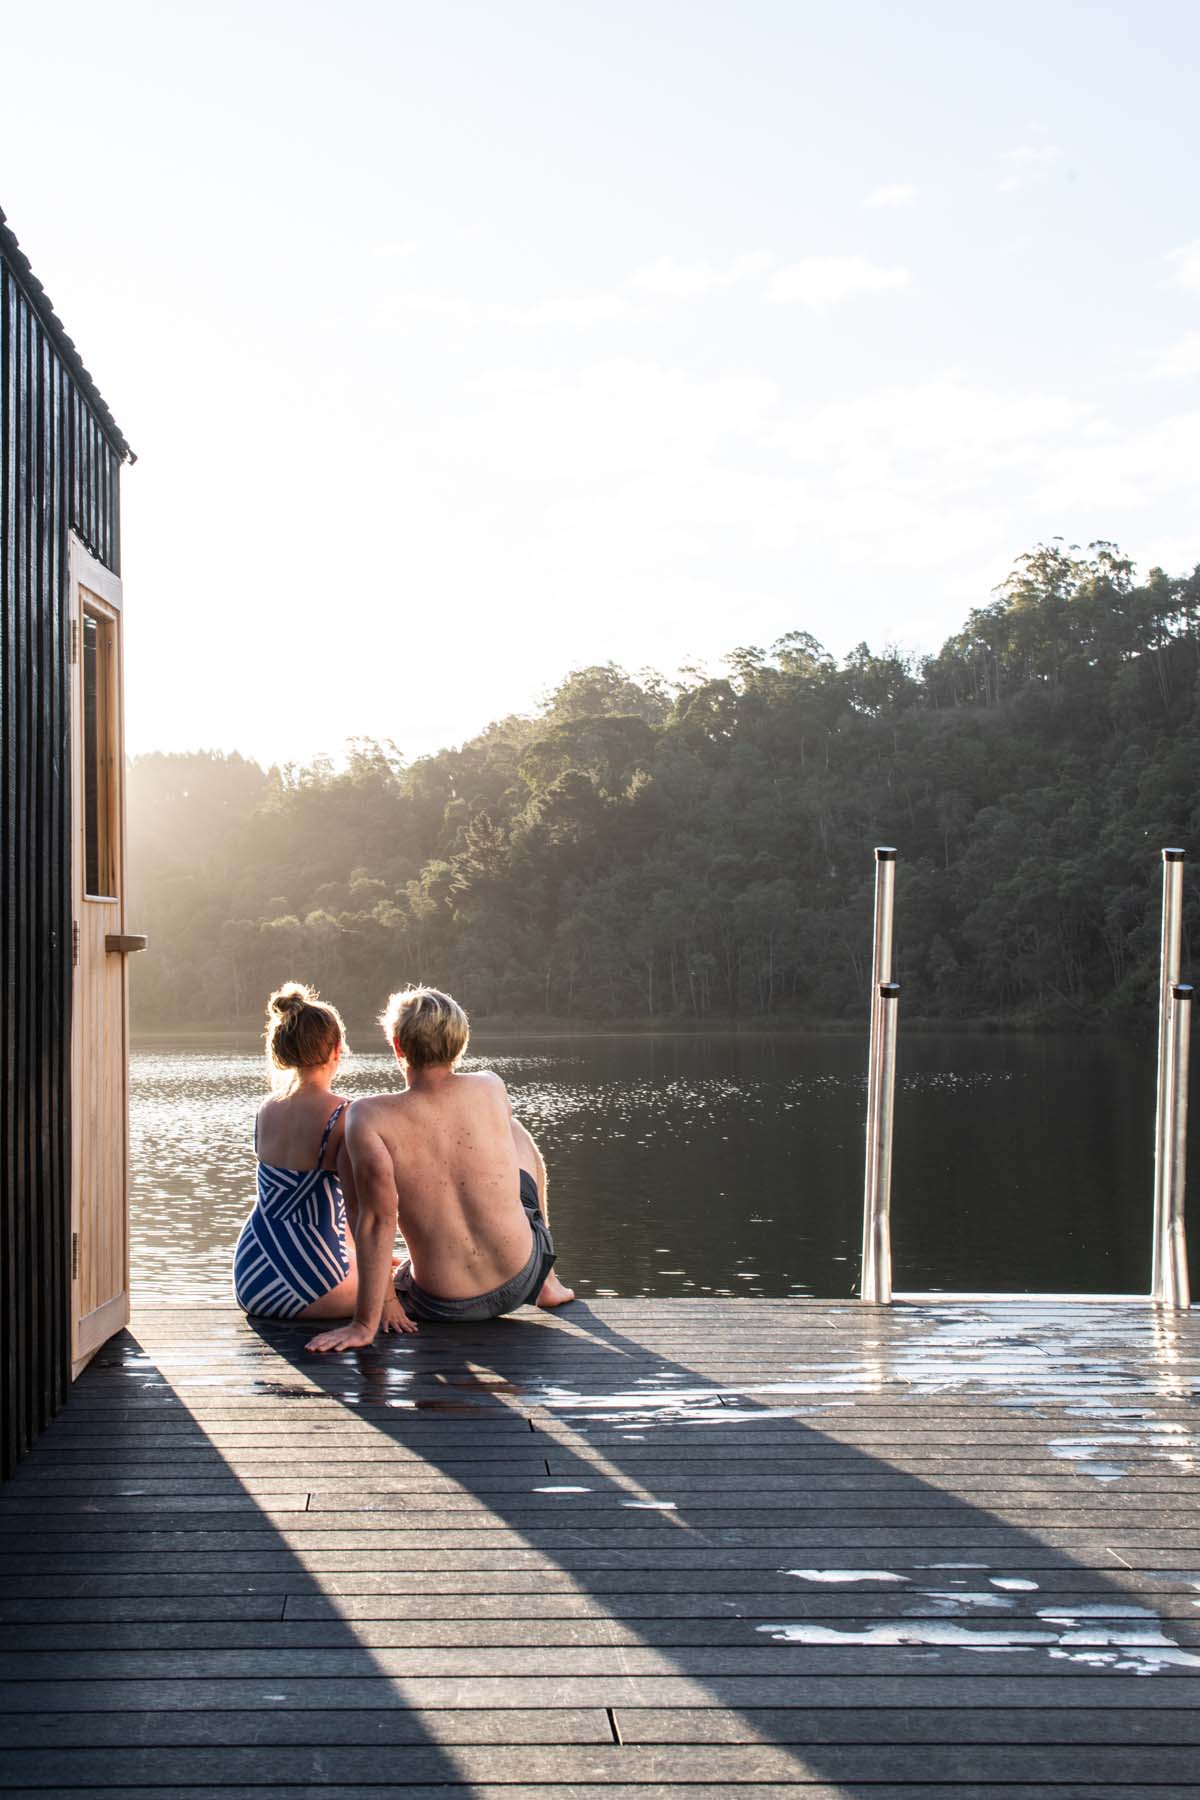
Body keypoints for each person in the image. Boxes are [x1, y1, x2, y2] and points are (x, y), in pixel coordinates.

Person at [306, 984, 573, 1353]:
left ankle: (542, 1280)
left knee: (389, 1215)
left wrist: (366, 1323)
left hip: (442, 1303)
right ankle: (548, 1282)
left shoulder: (368, 1116)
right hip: (522, 1276)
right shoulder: (491, 1086)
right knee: (515, 1133)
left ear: (398, 1046)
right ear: (460, 1042)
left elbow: (376, 1220)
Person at [233, 982, 415, 1332]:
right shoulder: (344, 1115)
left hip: (251, 1278)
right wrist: (387, 1299)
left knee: (382, 1265)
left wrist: (366, 1259)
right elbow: (361, 1214)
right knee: (413, 1284)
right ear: (336, 1049)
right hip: (314, 1286)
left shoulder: (266, 1108)